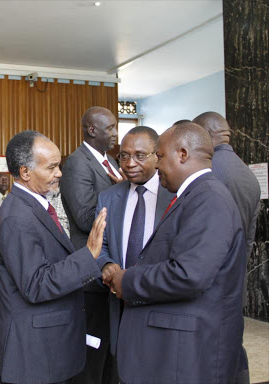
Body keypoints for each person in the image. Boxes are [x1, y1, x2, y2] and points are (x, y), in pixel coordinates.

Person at [105, 122, 246, 383]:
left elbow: (188, 274)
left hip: (188, 355)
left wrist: (128, 281)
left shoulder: (209, 199)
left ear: (182, 154)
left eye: (159, 156)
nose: (156, 165)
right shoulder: (194, 195)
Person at [0, 130, 107, 384]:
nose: (60, 174)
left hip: (48, 343)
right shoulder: (17, 218)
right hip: (34, 349)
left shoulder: (35, 206)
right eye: (52, 167)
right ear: (25, 172)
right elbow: (35, 285)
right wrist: (88, 255)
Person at [193, 111, 261, 383]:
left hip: (211, 278)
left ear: (206, 135)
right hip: (237, 276)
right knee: (232, 343)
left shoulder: (208, 172)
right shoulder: (246, 172)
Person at [94, 127, 174, 357]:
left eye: (140, 155)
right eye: (124, 155)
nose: (130, 163)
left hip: (162, 304)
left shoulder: (175, 196)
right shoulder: (109, 197)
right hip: (120, 305)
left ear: (157, 156)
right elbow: (101, 244)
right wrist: (106, 264)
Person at [60, 106, 122, 384]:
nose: (115, 133)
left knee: (111, 351)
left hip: (110, 268)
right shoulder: (77, 162)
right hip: (90, 270)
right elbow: (85, 218)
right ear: (91, 130)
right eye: (109, 128)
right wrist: (120, 192)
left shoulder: (111, 162)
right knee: (92, 350)